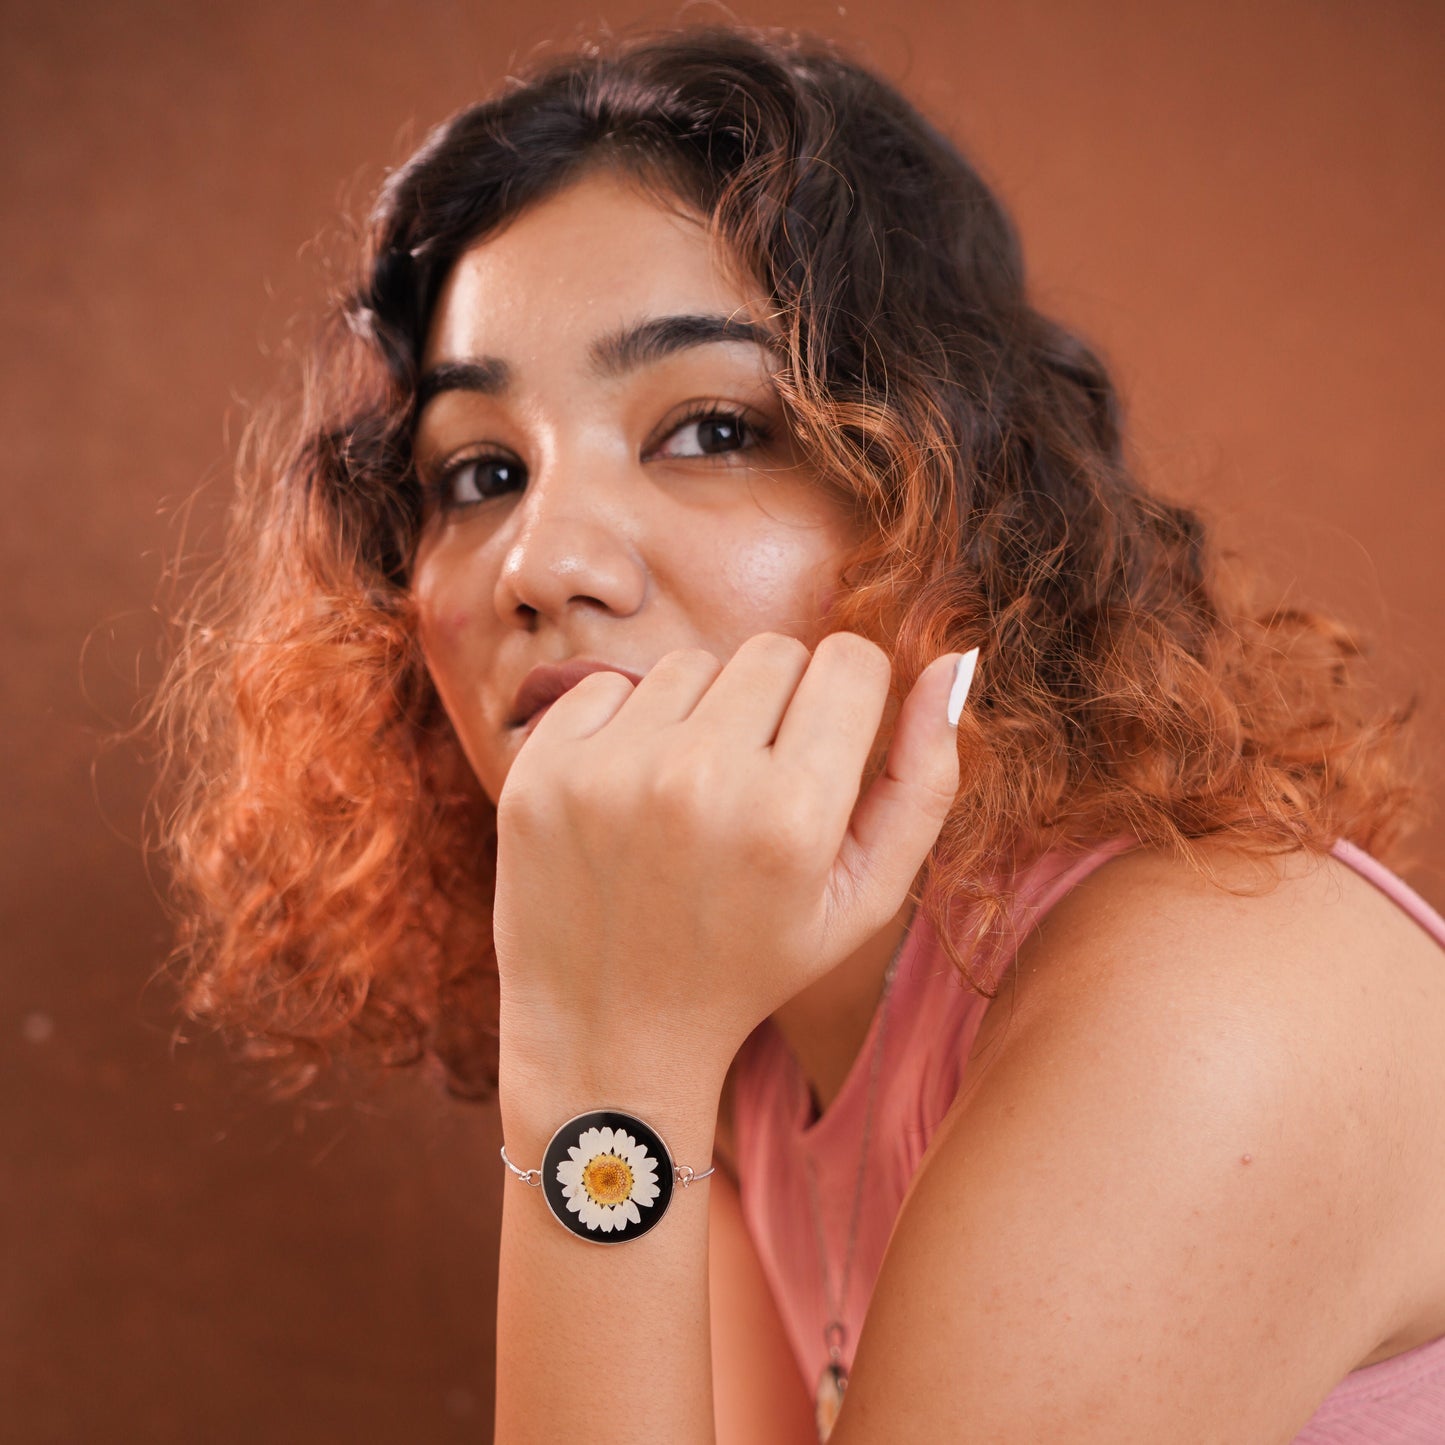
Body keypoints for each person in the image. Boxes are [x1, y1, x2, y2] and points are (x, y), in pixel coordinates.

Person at [150, 23, 1445, 1443]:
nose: (539, 558)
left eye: (710, 429)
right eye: (480, 469)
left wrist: (600, 1080)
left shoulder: (1208, 1012)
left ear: (953, 511)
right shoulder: (758, 1027)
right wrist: (633, 1059)